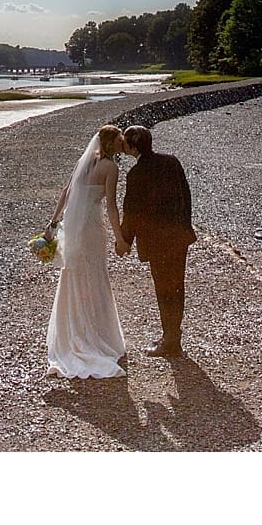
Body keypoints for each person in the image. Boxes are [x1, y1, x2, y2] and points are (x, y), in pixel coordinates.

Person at [44, 125, 128, 378]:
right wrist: (120, 237)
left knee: (74, 277)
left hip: (74, 229)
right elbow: (111, 206)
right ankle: (96, 336)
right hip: (92, 229)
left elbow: (66, 193)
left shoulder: (85, 162)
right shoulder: (110, 168)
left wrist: (53, 222)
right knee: (95, 278)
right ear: (112, 144)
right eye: (120, 141)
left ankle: (73, 333)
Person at [117, 123, 194, 358]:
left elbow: (132, 211)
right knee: (177, 286)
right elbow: (186, 195)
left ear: (132, 147)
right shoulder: (172, 162)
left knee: (163, 289)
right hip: (178, 236)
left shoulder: (136, 174)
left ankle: (169, 340)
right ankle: (173, 336)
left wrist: (124, 240)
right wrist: (185, 226)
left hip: (157, 242)